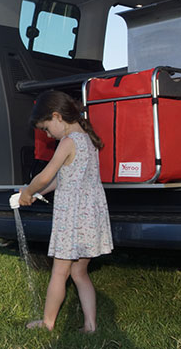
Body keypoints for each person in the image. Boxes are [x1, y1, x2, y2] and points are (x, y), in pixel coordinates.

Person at [18, 90, 113, 333]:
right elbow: (62, 179)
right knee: (80, 273)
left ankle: (48, 323)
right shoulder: (88, 141)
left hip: (72, 219)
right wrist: (39, 192)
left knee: (59, 273)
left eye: (47, 128)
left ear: (57, 116)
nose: (48, 134)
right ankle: (91, 325)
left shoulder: (68, 142)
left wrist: (28, 191)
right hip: (90, 218)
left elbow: (46, 175)